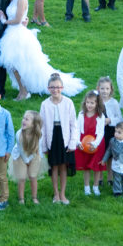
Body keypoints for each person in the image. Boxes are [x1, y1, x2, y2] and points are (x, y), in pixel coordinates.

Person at [0, 0, 86, 100]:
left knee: (16, 65)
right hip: (11, 34)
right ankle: (24, 89)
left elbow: (17, 19)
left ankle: (24, 92)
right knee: (13, 65)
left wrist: (4, 21)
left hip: (17, 34)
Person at [40, 74, 78, 205]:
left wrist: (73, 142)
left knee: (63, 166)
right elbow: (42, 127)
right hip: (52, 137)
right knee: (54, 167)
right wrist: (44, 146)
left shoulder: (68, 103)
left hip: (65, 137)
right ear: (48, 88)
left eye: (57, 87)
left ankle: (63, 194)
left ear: (62, 87)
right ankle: (55, 193)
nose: (55, 90)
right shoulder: (44, 104)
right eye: (52, 87)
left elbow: (74, 124)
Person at [75, 91, 106, 196]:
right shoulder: (81, 114)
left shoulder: (100, 116)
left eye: (92, 103)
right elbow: (77, 129)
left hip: (96, 144)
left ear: (97, 103)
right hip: (84, 143)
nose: (89, 105)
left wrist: (95, 144)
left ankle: (96, 186)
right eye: (88, 102)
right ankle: (87, 187)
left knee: (96, 167)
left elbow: (101, 131)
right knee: (86, 167)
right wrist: (78, 142)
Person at [11, 110, 43, 205]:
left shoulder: (39, 135)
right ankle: (21, 198)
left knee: (33, 176)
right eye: (24, 118)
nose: (23, 121)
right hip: (20, 156)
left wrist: (33, 159)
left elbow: (38, 148)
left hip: (34, 155)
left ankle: (34, 197)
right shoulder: (19, 134)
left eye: (27, 119)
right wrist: (26, 161)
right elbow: (21, 150)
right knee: (22, 177)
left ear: (33, 124)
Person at [99, 122, 123, 196]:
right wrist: (104, 160)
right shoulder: (112, 141)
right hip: (116, 163)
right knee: (116, 178)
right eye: (115, 131)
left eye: (119, 132)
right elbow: (109, 150)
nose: (116, 134)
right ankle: (117, 191)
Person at [96, 76, 121, 185]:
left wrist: (110, 120)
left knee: (110, 154)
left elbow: (120, 118)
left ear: (111, 89)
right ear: (98, 89)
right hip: (98, 131)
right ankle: (100, 177)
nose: (104, 91)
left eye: (107, 88)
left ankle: (110, 177)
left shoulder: (114, 102)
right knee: (100, 154)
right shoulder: (95, 101)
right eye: (102, 88)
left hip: (110, 130)